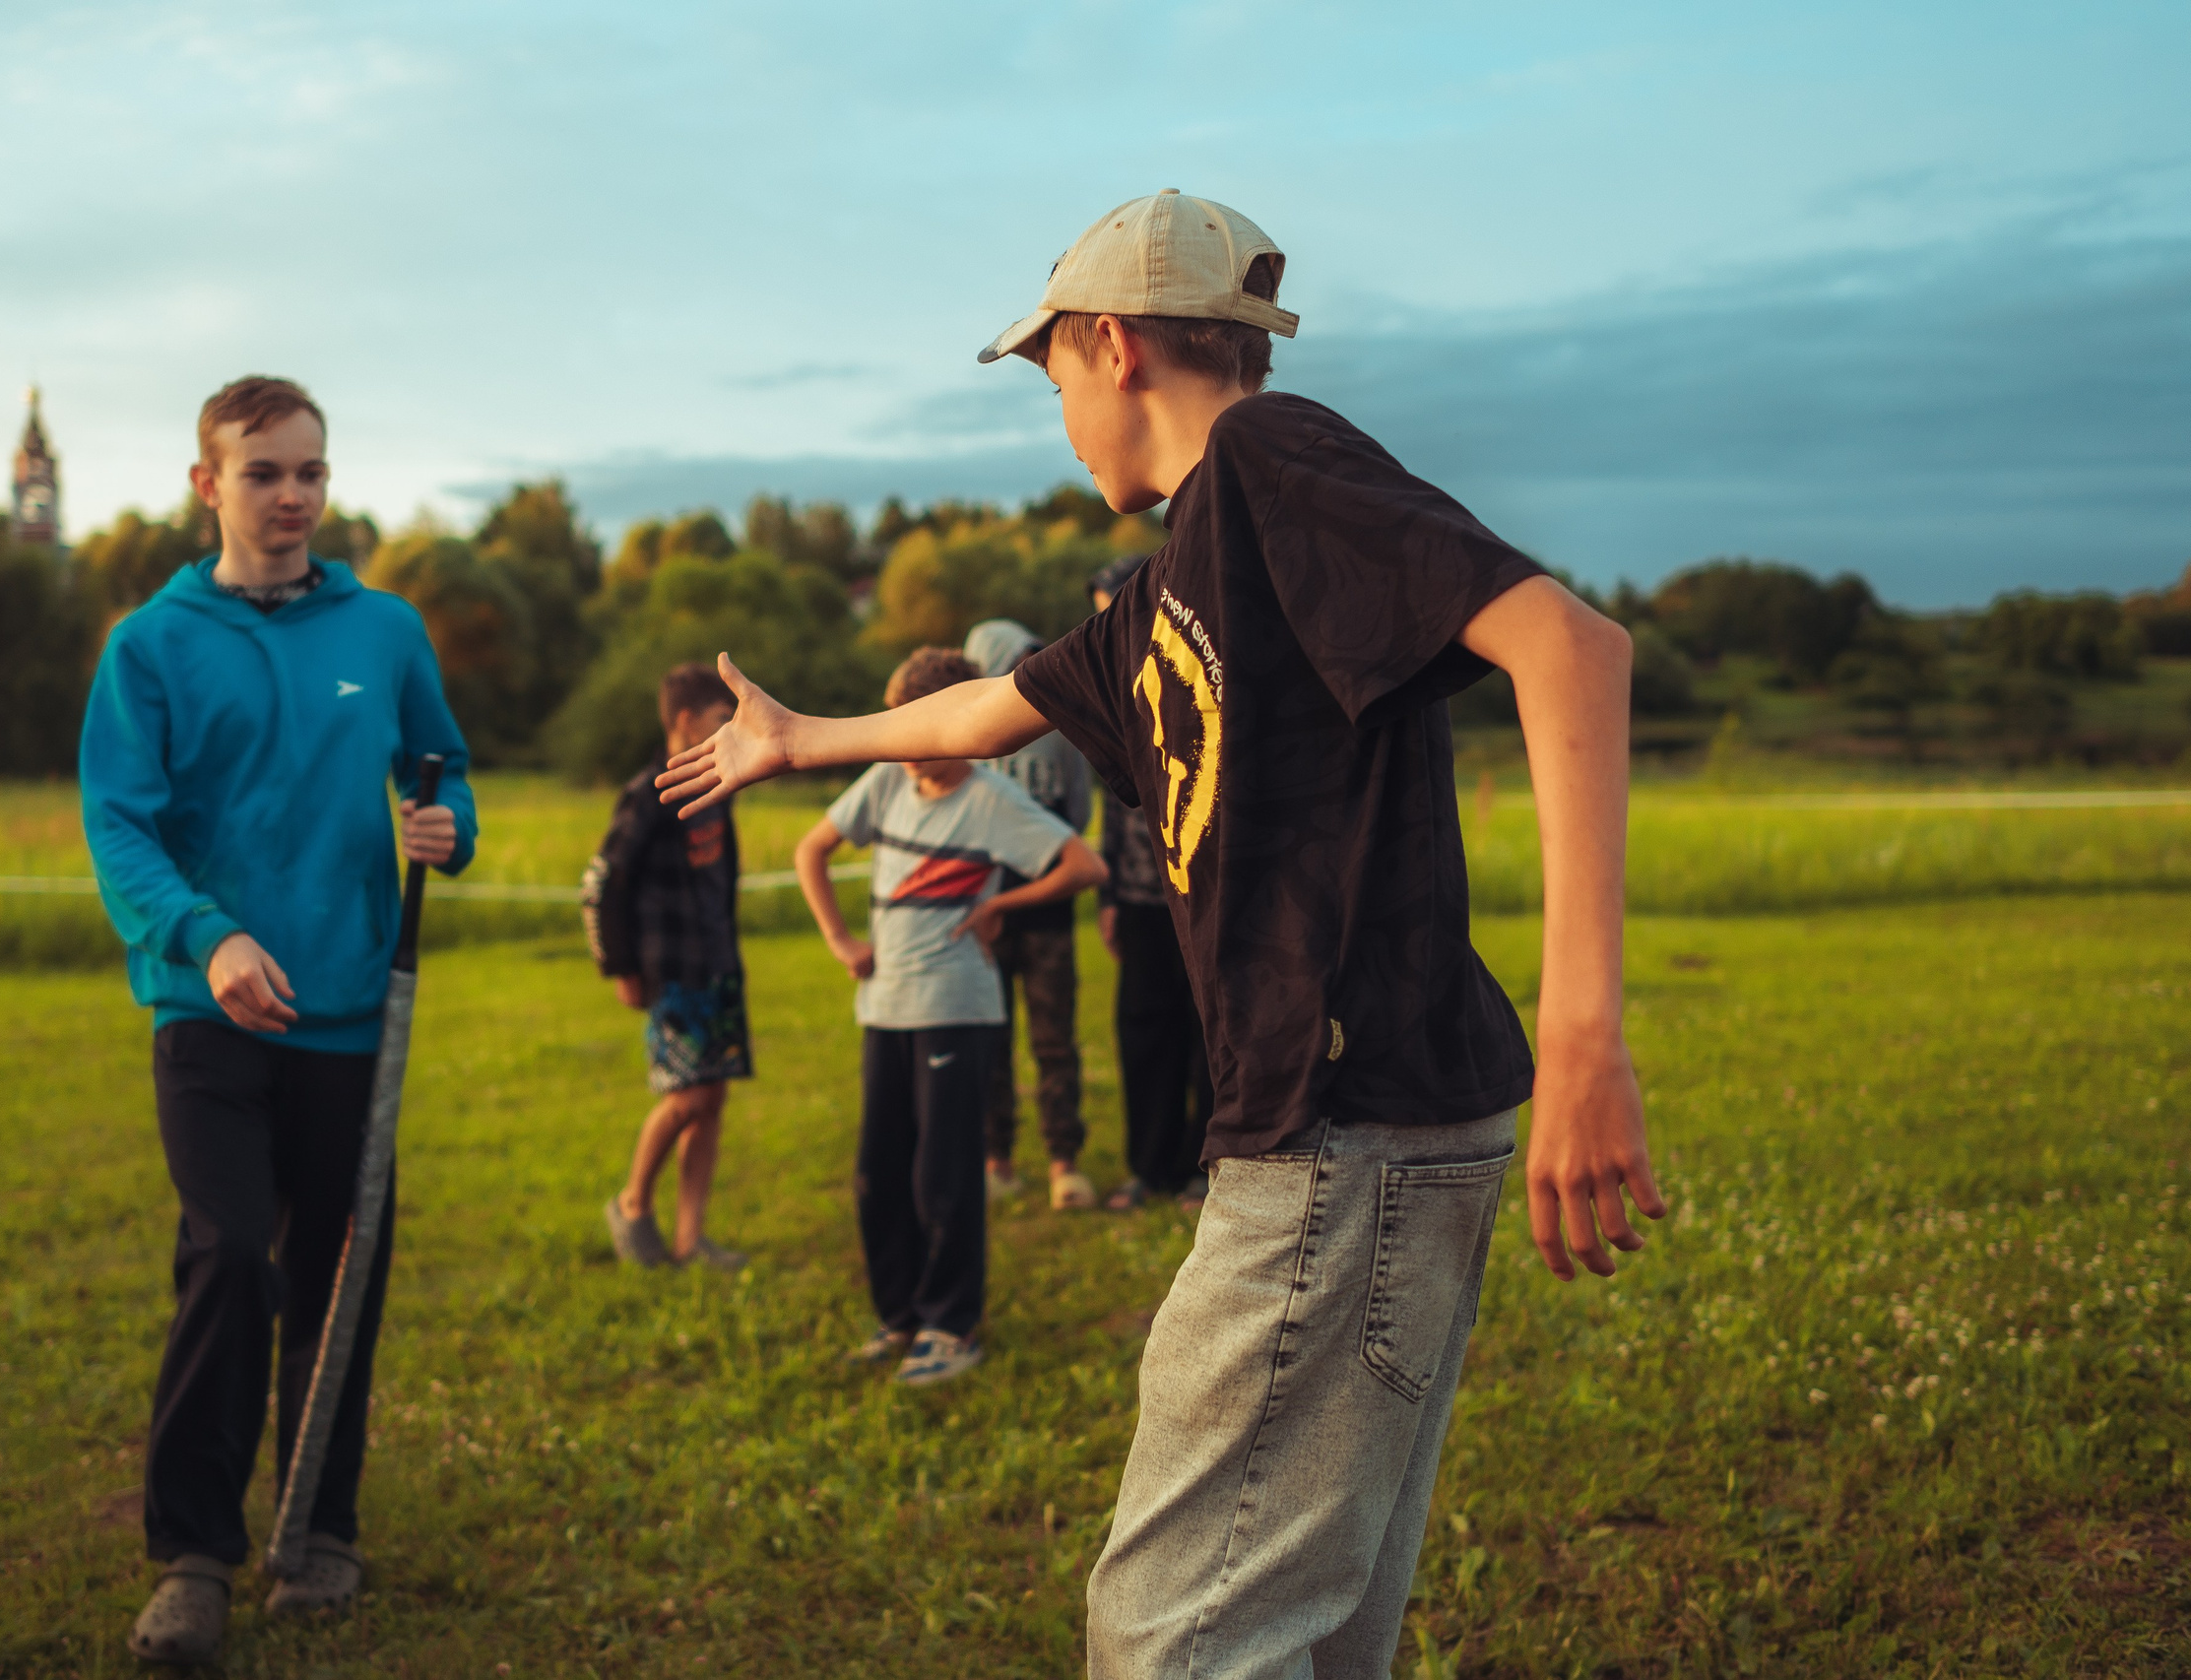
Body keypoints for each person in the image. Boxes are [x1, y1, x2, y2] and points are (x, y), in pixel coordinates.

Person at [661, 191, 1661, 1677]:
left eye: (1053, 375)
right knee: (1311, 1630)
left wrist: (1586, 1038)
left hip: (1344, 1125)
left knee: (1166, 1632)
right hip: (1353, 1130)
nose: (1057, 416)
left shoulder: (1271, 459)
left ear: (1113, 346)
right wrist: (800, 737)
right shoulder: (1161, 592)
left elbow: (1570, 645)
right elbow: (976, 710)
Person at [81, 375, 478, 1666]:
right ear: (208, 485)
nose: (293, 493)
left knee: (339, 1277)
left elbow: (445, 769)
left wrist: (446, 824)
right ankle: (191, 1553)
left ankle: (317, 1526)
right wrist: (209, 935)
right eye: (264, 472)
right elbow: (120, 827)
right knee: (229, 1251)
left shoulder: (386, 628)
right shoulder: (151, 644)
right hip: (210, 1012)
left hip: (355, 1011)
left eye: (310, 469)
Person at [791, 647, 1109, 1386]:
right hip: (884, 1009)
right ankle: (898, 1317)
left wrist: (1001, 903)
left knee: (944, 1174)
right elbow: (813, 848)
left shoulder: (994, 801)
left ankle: (951, 1325)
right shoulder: (886, 779)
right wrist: (841, 938)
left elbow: (1082, 866)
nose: (903, 748)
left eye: (916, 730)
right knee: (879, 1172)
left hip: (955, 1009)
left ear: (955, 726)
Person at [582, 663, 751, 1271]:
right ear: (684, 721)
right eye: (719, 719)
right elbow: (602, 882)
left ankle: (690, 1240)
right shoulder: (649, 790)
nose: (728, 729)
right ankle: (631, 1205)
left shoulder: (717, 783)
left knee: (712, 1102)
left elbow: (723, 876)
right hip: (671, 970)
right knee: (685, 1098)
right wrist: (621, 967)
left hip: (717, 965)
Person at [1082, 557, 1216, 1214]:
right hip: (1136, 899)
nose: (1108, 622)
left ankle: (1202, 1168)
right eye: (1101, 609)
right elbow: (1110, 810)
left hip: (1199, 897)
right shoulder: (1107, 694)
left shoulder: (1191, 683)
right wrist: (1107, 896)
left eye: (1116, 607)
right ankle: (1147, 1167)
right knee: (1141, 1031)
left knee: (1204, 1035)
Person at [962, 617, 1098, 1211]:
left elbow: (1075, 811)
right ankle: (999, 1158)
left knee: (1052, 1041)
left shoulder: (1058, 725)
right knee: (994, 1039)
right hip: (985, 910)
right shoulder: (968, 725)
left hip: (1046, 908)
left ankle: (1060, 1160)